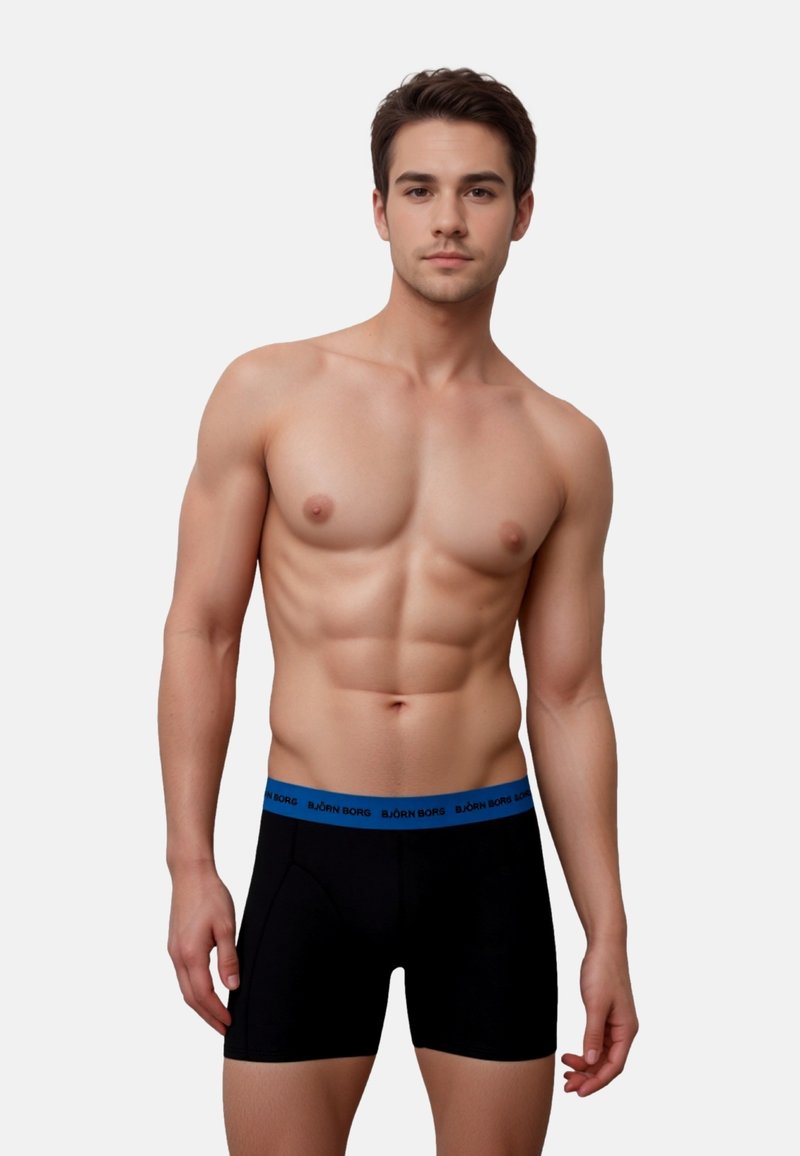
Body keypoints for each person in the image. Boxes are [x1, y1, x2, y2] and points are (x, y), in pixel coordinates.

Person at [159, 66, 638, 1156]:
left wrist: (606, 924)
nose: (448, 219)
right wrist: (189, 862)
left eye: (479, 191)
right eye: (419, 190)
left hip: (486, 860)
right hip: (309, 848)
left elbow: (568, 695)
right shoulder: (270, 392)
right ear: (379, 210)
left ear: (522, 212)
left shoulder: (563, 444)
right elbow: (203, 631)